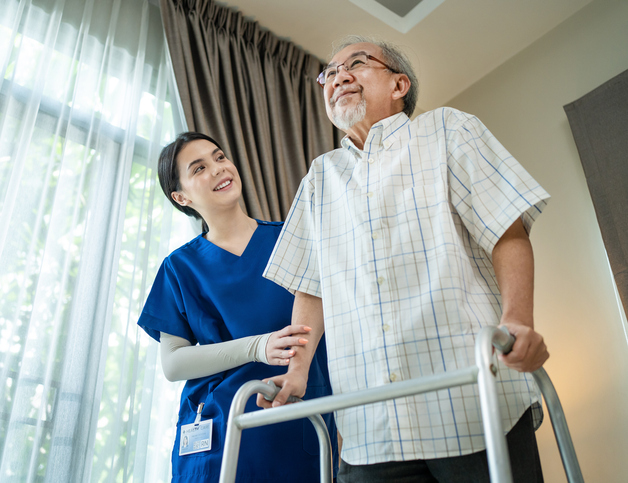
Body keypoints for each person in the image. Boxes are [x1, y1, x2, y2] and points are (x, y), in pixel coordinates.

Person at [258, 36, 550, 482]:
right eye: (329, 73)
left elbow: (506, 231)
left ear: (399, 85)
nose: (339, 77)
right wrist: (296, 371)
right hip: (370, 429)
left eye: (356, 63)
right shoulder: (320, 178)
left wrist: (517, 321)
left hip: (471, 406)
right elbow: (310, 285)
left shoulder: (448, 130)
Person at [137, 132, 339, 483]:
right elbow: (173, 363)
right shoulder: (179, 268)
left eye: (219, 157)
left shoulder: (292, 241)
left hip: (294, 422)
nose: (218, 168)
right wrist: (256, 347)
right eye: (199, 167)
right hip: (219, 430)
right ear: (181, 196)